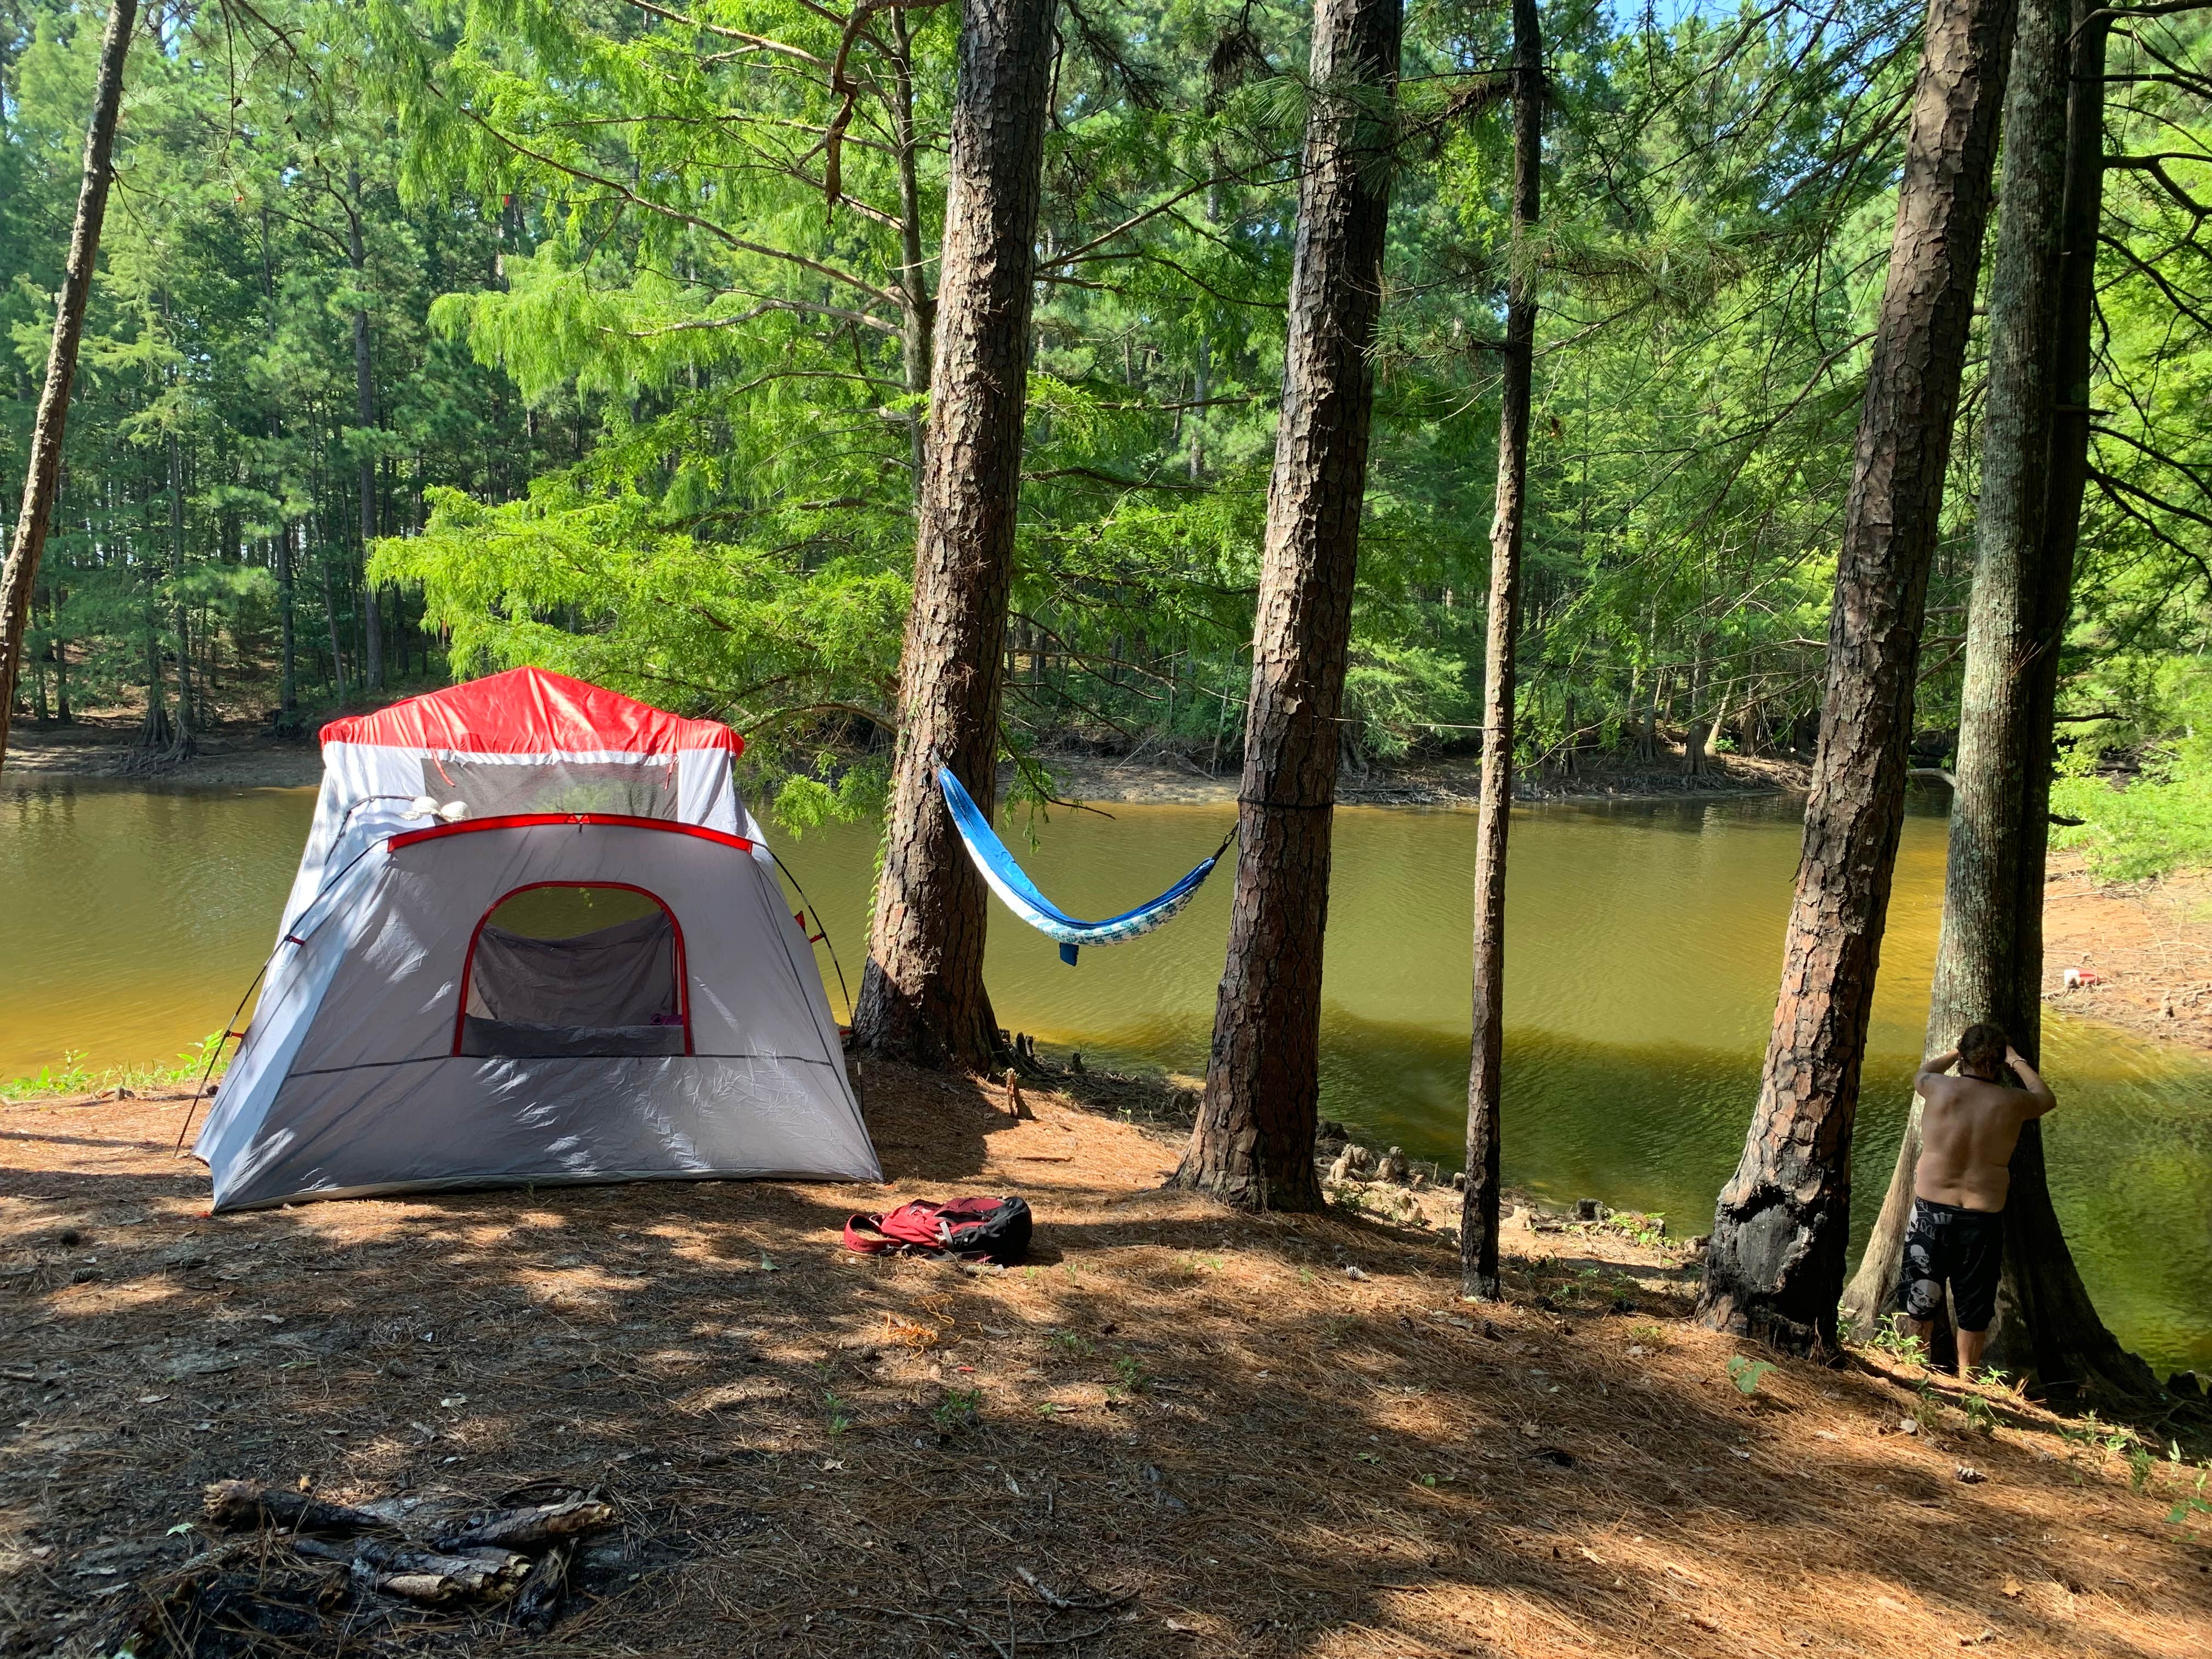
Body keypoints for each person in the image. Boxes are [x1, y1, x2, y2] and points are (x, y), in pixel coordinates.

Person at [1898, 1022, 2058, 1376]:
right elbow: (2046, 1098)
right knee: (1975, 1300)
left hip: (1930, 1208)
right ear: (2000, 1061)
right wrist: (2017, 1061)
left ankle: (1917, 1370)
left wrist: (1955, 1051)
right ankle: (1967, 1377)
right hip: (1981, 1215)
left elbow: (1923, 1070)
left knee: (1923, 1294)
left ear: (1964, 1058)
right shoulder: (2015, 1102)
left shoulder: (1938, 1088)